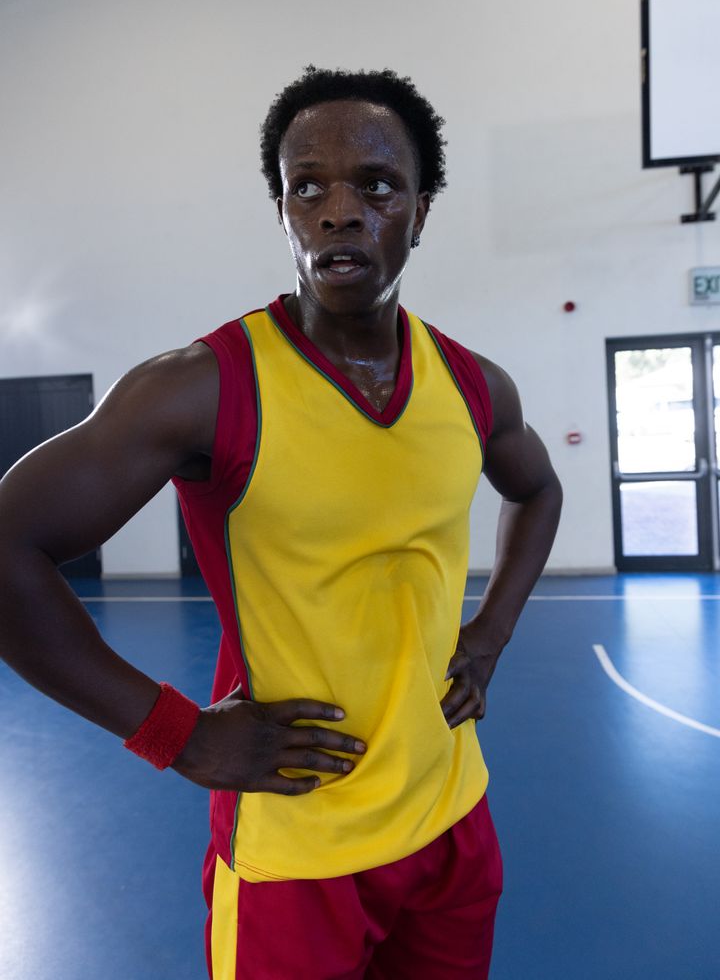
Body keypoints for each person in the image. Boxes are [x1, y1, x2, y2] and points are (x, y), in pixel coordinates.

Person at [0, 65, 562, 979]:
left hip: (454, 818)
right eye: (309, 187)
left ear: (421, 213)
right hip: (295, 851)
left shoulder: (471, 385)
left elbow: (538, 491)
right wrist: (176, 736)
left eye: (376, 185)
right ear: (285, 214)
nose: (340, 211)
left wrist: (491, 633)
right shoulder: (202, 388)